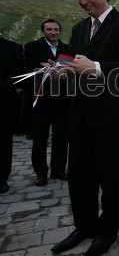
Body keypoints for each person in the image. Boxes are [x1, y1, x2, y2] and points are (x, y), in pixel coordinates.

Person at [51, 0, 119, 256]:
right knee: (79, 176)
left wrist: (96, 67)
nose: (83, 1)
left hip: (109, 115)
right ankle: (84, 226)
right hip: (80, 114)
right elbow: (78, 65)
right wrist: (63, 71)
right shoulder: (79, 29)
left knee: (110, 177)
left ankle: (107, 231)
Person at [24, 19, 70, 187]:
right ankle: (41, 173)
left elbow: (70, 69)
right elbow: (32, 69)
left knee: (61, 137)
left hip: (62, 101)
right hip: (41, 99)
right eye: (49, 29)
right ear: (43, 31)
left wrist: (61, 72)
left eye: (56, 29)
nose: (53, 32)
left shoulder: (67, 48)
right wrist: (52, 71)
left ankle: (58, 169)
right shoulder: (31, 47)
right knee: (40, 138)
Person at [0, 36, 24, 194]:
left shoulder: (12, 48)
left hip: (2, 105)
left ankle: (1, 179)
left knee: (2, 144)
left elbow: (15, 76)